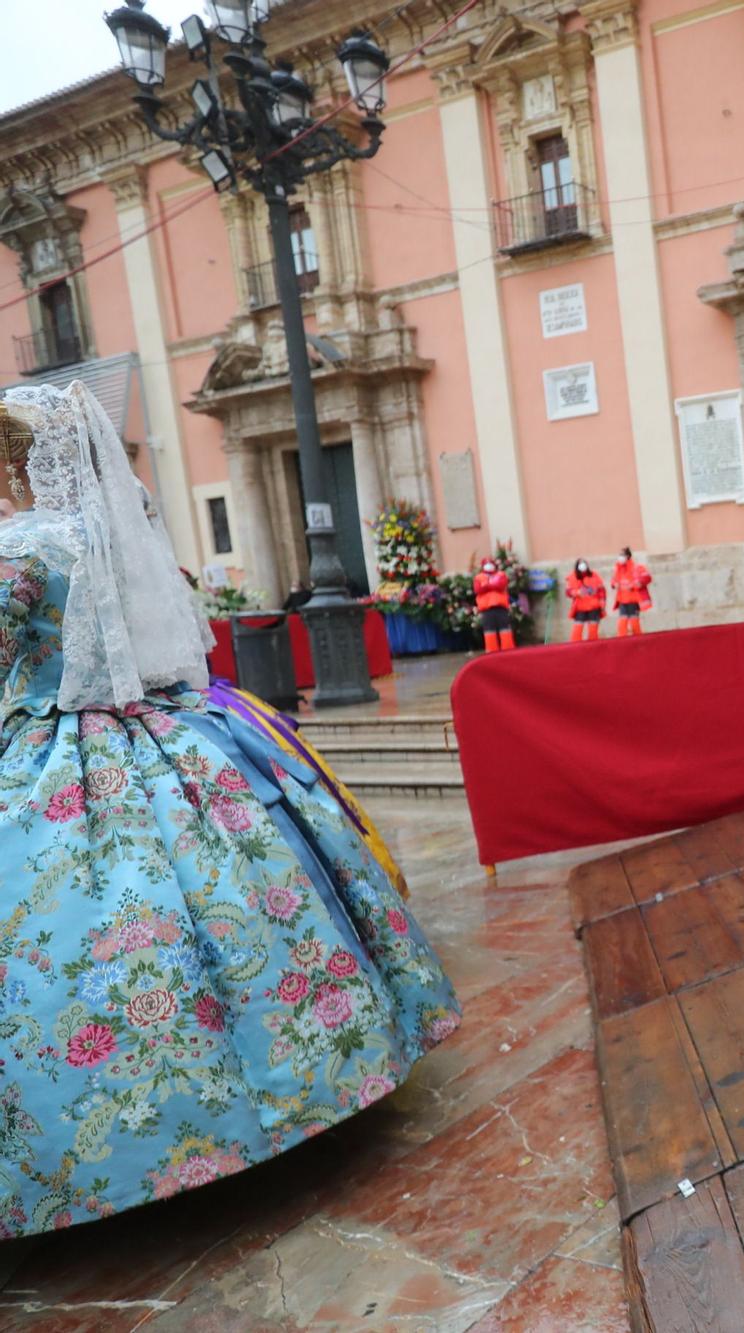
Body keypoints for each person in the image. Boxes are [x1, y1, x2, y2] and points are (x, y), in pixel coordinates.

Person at [0, 383, 459, 1238]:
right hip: (164, 728)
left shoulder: (19, 550)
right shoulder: (110, 524)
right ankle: (313, 1073)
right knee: (232, 892)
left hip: (41, 751)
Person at [473, 558, 514, 652]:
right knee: (489, 631)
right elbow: (478, 589)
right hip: (486, 608)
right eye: (486, 563)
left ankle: (508, 649)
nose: (489, 565)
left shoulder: (500, 575)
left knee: (505, 630)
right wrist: (492, 585)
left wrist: (487, 585)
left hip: (501, 607)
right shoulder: (479, 577)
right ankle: (492, 651)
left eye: (490, 563)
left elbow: (501, 585)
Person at [611, 546, 652, 637]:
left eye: (622, 555)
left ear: (628, 556)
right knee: (622, 621)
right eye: (619, 555)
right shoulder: (618, 569)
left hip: (633, 599)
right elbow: (614, 580)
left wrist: (635, 584)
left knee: (634, 621)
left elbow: (647, 577)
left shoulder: (636, 567)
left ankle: (637, 639)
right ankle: (621, 640)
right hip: (622, 599)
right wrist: (614, 584)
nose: (620, 557)